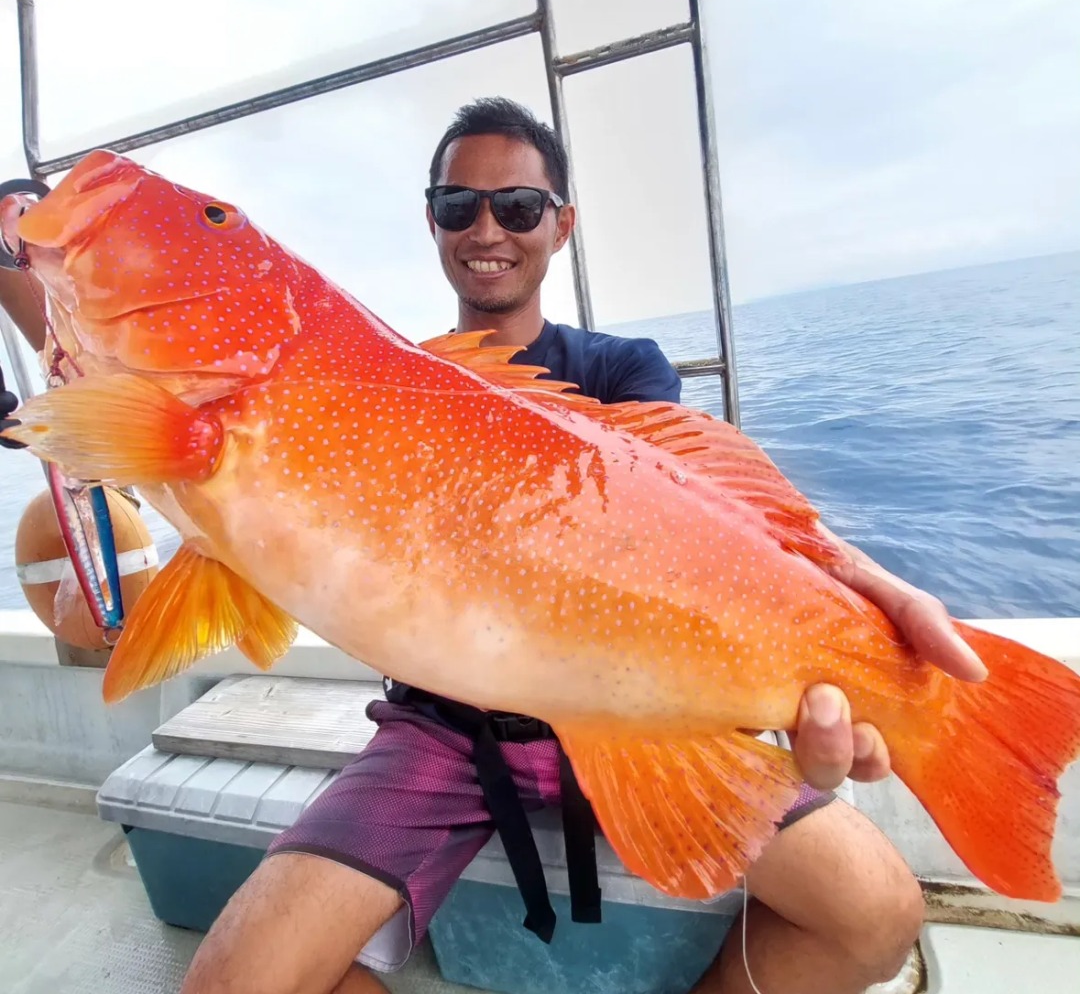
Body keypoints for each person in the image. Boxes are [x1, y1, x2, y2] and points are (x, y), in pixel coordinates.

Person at [0, 101, 987, 994]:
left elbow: (698, 517)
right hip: (443, 735)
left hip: (630, 714)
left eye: (518, 205)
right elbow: (84, 366)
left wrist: (861, 596)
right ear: (432, 222)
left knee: (879, 916)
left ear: (560, 223)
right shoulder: (337, 382)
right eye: (458, 204)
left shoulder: (620, 371)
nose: (487, 228)